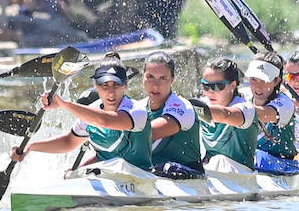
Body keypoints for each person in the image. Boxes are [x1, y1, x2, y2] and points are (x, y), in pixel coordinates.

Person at [12, 55, 150, 170]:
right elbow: (68, 142)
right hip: (108, 177)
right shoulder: (92, 111)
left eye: (116, 85)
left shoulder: (137, 111)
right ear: (96, 86)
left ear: (125, 86)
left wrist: (63, 104)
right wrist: (30, 147)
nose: (111, 92)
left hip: (140, 178)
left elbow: (105, 121)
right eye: (104, 85)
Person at [139, 51, 203, 178]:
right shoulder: (138, 107)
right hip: (152, 175)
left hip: (186, 175)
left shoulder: (182, 107)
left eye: (163, 78)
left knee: (167, 168)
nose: (156, 85)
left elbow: (147, 133)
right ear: (143, 77)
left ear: (172, 80)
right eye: (150, 77)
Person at [193, 57, 262, 170]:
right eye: (206, 86)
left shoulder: (245, 108)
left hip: (241, 176)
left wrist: (191, 108)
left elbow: (225, 115)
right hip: (211, 169)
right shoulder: (202, 103)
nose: (210, 91)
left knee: (219, 160)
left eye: (217, 86)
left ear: (233, 85)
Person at [248, 51, 299, 172]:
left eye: (264, 80)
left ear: (277, 81)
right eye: (253, 79)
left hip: (283, 164)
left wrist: (226, 111)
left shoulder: (285, 104)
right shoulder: (245, 98)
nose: (257, 86)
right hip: (254, 161)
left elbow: (261, 113)